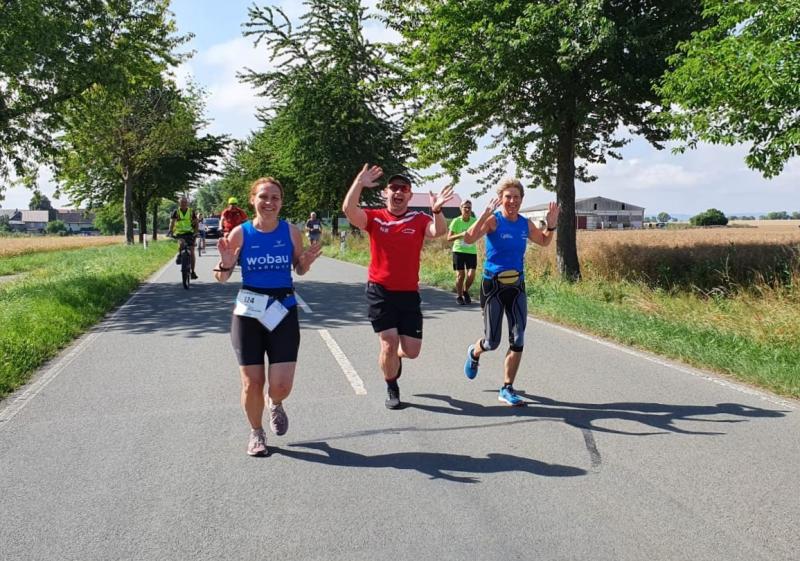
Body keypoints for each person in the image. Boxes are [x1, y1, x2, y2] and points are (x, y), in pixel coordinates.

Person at [214, 177, 322, 457]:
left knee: (281, 385)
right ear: (253, 200)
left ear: (281, 202)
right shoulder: (240, 233)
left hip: (282, 310)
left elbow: (299, 268)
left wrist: (305, 263)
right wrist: (225, 264)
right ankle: (256, 432)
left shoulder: (291, 232)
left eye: (275, 197)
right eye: (263, 197)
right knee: (252, 382)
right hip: (249, 312)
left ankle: (275, 402)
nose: (269, 202)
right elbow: (221, 277)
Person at [342, 164, 454, 409]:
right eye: (393, 187)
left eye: (403, 188)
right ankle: (392, 386)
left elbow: (438, 231)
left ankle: (395, 358)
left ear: (410, 195)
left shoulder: (419, 219)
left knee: (411, 351)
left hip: (409, 294)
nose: (398, 192)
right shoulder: (375, 217)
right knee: (388, 343)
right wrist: (358, 183)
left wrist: (436, 210)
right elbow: (349, 211)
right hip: (380, 291)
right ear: (386, 193)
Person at [461, 178, 559, 406]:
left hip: (516, 286)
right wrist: (484, 214)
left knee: (518, 338)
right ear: (500, 199)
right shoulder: (493, 221)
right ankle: (474, 352)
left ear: (522, 199)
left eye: (516, 197)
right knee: (491, 342)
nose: (512, 201)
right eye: (508, 197)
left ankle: (506, 388)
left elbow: (544, 241)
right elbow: (468, 238)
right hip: (493, 287)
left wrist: (551, 226)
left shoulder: (525, 224)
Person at [447, 200, 478, 305]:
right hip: (458, 251)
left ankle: (465, 291)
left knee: (471, 274)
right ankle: (459, 296)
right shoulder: (456, 221)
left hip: (471, 251)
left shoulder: (474, 221)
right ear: (461, 209)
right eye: (465, 207)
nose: (467, 209)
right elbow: (449, 238)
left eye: (469, 207)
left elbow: (478, 233)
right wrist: (461, 234)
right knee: (460, 275)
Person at [168, 196, 199, 280]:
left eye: (185, 202)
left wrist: (196, 232)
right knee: (181, 243)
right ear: (179, 203)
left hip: (190, 233)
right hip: (180, 233)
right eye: (182, 202)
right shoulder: (176, 212)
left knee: (192, 251)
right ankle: (180, 255)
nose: (183, 204)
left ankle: (193, 272)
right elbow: (172, 222)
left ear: (187, 203)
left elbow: (196, 222)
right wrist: (170, 231)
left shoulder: (191, 211)